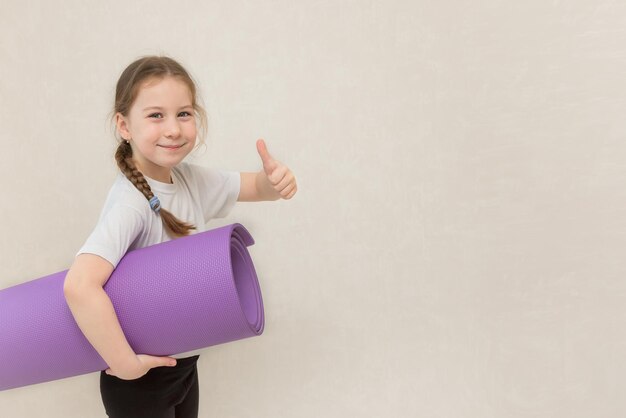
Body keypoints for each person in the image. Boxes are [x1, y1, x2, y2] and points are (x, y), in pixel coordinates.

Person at [63, 55, 297, 418]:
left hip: (183, 366)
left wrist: (273, 182)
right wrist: (124, 363)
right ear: (124, 125)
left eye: (184, 114)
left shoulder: (188, 179)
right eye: (156, 115)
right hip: (140, 381)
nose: (173, 128)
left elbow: (252, 186)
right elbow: (79, 286)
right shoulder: (130, 204)